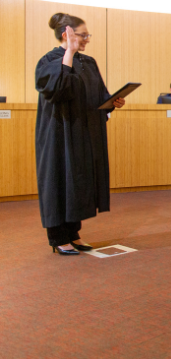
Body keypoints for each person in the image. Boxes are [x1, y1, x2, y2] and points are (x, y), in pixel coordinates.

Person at [35, 13, 125, 255]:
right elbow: (58, 90)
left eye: (87, 35)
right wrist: (70, 53)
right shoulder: (48, 61)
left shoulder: (89, 62)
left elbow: (98, 95)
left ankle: (73, 234)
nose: (86, 39)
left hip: (82, 134)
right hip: (58, 135)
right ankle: (57, 237)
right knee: (58, 180)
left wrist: (111, 102)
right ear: (67, 34)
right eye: (82, 35)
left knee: (77, 182)